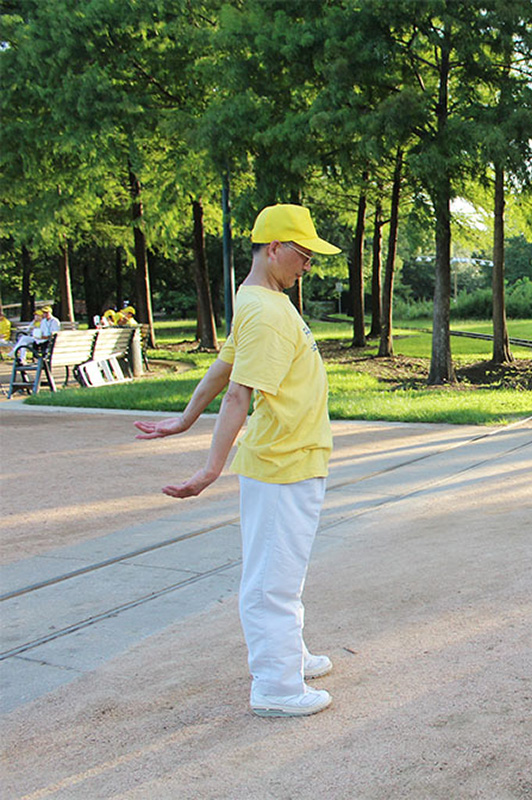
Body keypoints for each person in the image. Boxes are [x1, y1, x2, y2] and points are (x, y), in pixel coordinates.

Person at [134, 204, 341, 718]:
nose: (308, 265)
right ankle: (277, 686)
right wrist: (210, 469)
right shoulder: (266, 311)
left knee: (283, 570)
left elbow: (222, 367)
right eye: (303, 254)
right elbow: (237, 394)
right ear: (274, 248)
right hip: (282, 462)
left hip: (293, 458)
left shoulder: (257, 300)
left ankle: (289, 656)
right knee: (272, 581)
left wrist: (184, 420)